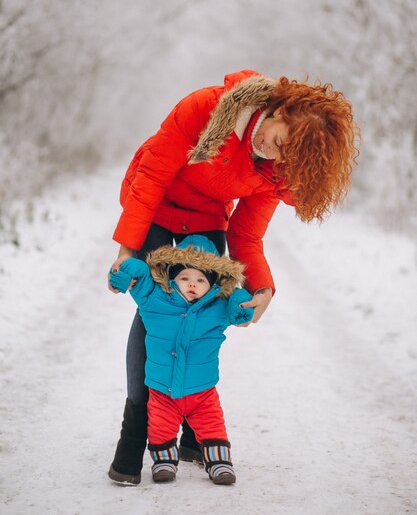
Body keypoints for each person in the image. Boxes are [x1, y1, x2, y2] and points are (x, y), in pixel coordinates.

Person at [107, 69, 359, 485]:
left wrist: (262, 288)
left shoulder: (276, 170)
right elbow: (151, 178)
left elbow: (245, 232)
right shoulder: (207, 108)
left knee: (202, 307)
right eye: (278, 142)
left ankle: (190, 433)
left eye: (285, 156)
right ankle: (136, 434)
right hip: (155, 201)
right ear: (281, 110)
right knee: (161, 310)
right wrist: (127, 249)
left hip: (207, 218)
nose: (272, 153)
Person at [109, 234, 254, 485]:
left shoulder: (217, 309)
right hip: (162, 390)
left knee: (212, 427)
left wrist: (241, 306)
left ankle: (219, 463)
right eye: (184, 277)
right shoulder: (154, 300)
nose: (191, 284)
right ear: (171, 277)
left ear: (214, 283)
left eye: (200, 279)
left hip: (202, 392)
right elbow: (141, 276)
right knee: (160, 428)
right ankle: (164, 461)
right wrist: (127, 268)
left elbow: (237, 307)